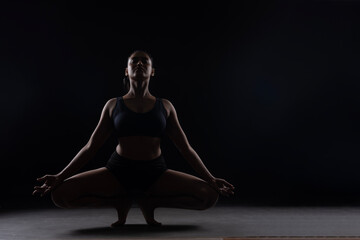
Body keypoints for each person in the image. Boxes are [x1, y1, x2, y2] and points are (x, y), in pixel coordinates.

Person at [33, 50, 235, 226]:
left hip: (155, 172)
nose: (139, 64)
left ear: (152, 71)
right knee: (60, 195)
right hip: (118, 171)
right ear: (126, 71)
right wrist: (60, 176)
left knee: (209, 196)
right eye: (134, 61)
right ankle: (118, 201)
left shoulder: (165, 106)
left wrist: (211, 178)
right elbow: (90, 147)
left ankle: (151, 201)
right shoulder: (113, 105)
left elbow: (185, 148)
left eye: (144, 61)